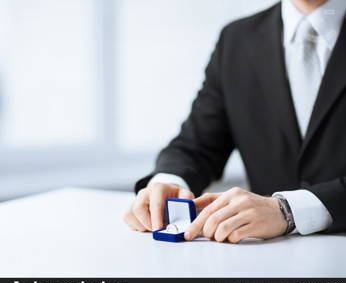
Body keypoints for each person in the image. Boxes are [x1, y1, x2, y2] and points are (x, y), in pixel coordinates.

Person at [124, 0, 346, 243]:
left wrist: (289, 210)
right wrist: (168, 181)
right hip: (265, 258)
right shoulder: (237, 39)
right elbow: (196, 145)